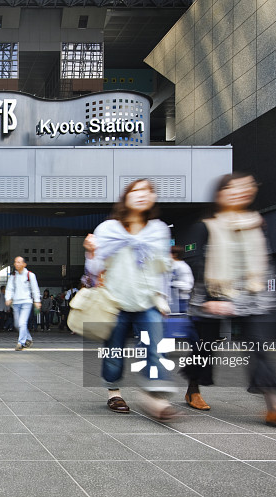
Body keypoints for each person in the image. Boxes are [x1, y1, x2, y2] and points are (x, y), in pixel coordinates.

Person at [181, 173, 276, 431]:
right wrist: (211, 297)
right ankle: (193, 388)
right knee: (204, 349)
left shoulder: (256, 223)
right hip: (214, 295)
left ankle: (274, 409)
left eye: (246, 188)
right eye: (233, 188)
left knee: (259, 347)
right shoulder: (206, 226)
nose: (241, 192)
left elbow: (260, 261)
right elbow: (196, 260)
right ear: (220, 194)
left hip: (251, 297)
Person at [84, 179, 175, 420]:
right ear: (126, 197)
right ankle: (114, 392)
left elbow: (163, 267)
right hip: (116, 302)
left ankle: (155, 399)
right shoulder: (108, 229)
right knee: (114, 352)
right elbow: (94, 269)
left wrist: (164, 298)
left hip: (148, 301)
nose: (143, 195)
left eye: (148, 191)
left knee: (156, 349)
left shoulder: (158, 229)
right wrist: (91, 251)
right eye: (137, 190)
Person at [5, 257, 41, 351]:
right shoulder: (13, 276)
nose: (17, 264)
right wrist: (8, 298)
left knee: (22, 322)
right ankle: (28, 338)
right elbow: (9, 288)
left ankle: (20, 343)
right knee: (18, 324)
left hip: (26, 302)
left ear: (24, 264)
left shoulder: (30, 275)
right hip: (16, 303)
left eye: (19, 262)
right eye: (16, 262)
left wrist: (37, 300)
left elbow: (35, 288)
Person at [170, 246, 194, 313]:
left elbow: (187, 285)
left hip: (181, 301)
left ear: (175, 254)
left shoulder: (183, 267)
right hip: (171, 301)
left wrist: (171, 284)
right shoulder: (171, 266)